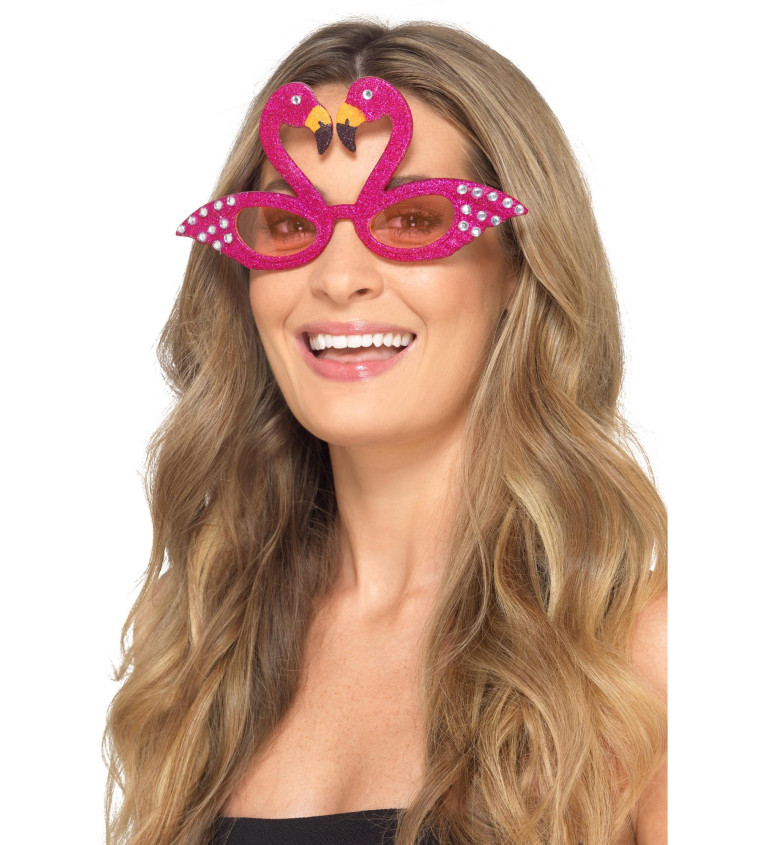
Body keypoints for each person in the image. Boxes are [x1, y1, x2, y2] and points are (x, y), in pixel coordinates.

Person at [104, 19, 667, 845]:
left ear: (519, 267)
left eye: (410, 219)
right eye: (290, 224)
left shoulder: (640, 652)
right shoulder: (200, 639)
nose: (338, 277)